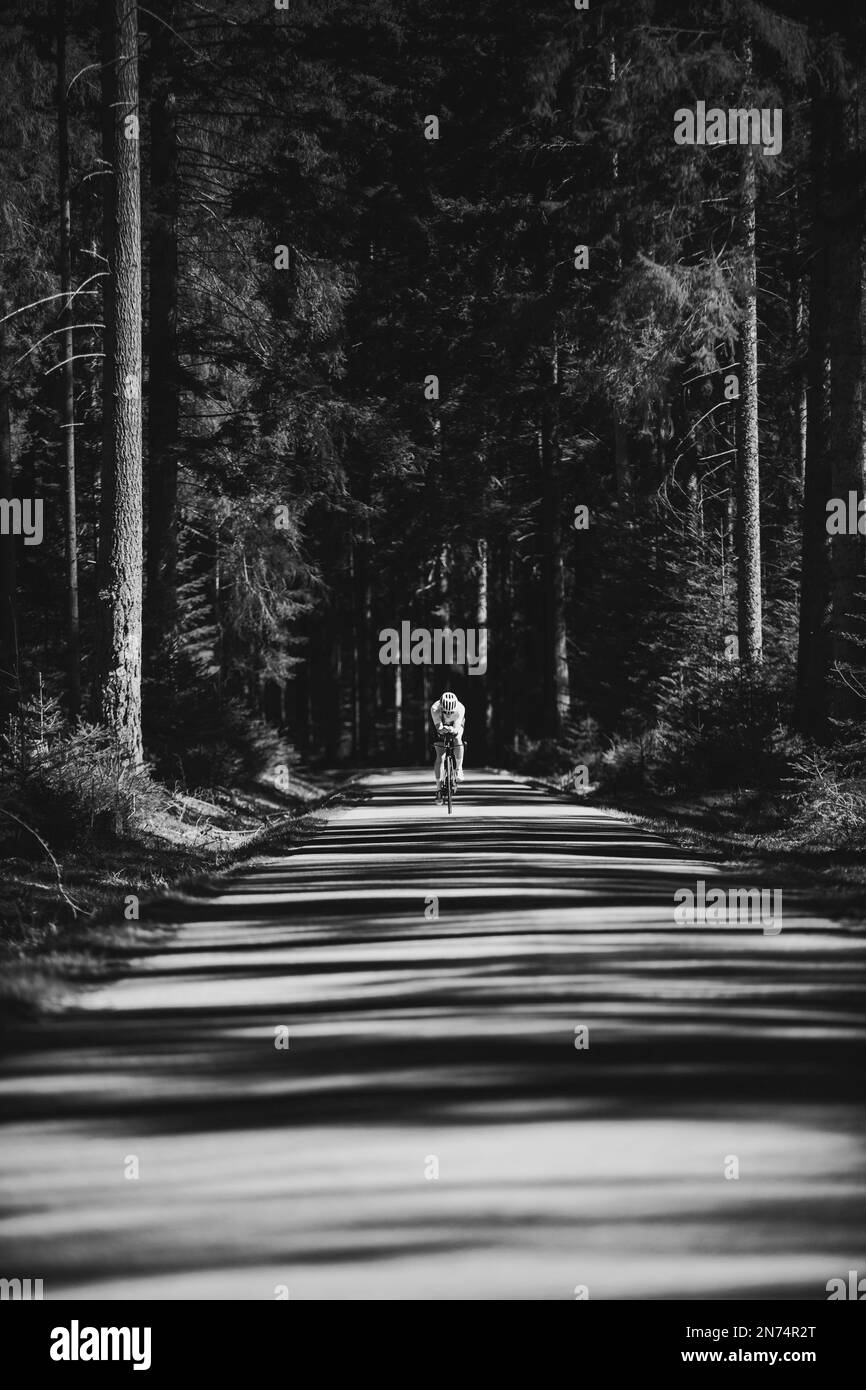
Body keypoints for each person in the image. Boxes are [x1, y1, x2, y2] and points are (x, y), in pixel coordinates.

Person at [431, 690, 465, 796]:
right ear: (441, 707)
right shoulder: (435, 708)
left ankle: (459, 769)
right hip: (441, 726)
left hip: (456, 725)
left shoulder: (460, 708)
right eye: (446, 712)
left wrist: (453, 730)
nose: (449, 714)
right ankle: (438, 788)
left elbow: (457, 727)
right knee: (440, 756)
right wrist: (442, 729)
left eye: (451, 712)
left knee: (458, 740)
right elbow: (438, 728)